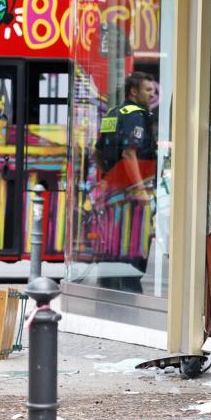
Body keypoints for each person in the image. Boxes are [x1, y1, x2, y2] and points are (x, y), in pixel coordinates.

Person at [93, 72, 157, 291]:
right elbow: (129, 154)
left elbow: (97, 152)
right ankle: (130, 291)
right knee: (135, 246)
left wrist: (107, 177)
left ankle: (109, 289)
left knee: (112, 245)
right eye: (148, 90)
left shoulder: (113, 112)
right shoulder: (137, 115)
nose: (152, 94)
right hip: (132, 196)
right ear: (134, 91)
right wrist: (140, 190)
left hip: (112, 193)